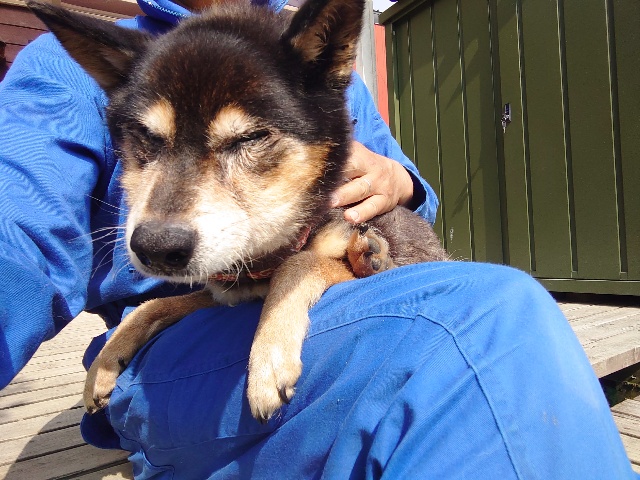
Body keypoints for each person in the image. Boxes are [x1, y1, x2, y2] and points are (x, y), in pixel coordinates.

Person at [0, 0, 636, 478]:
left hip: (335, 307)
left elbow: (396, 194)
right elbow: (18, 244)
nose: (169, 211)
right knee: (482, 329)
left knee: (494, 326)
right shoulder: (64, 70)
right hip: (179, 363)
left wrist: (401, 181)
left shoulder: (304, 52)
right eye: (149, 141)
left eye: (246, 140)